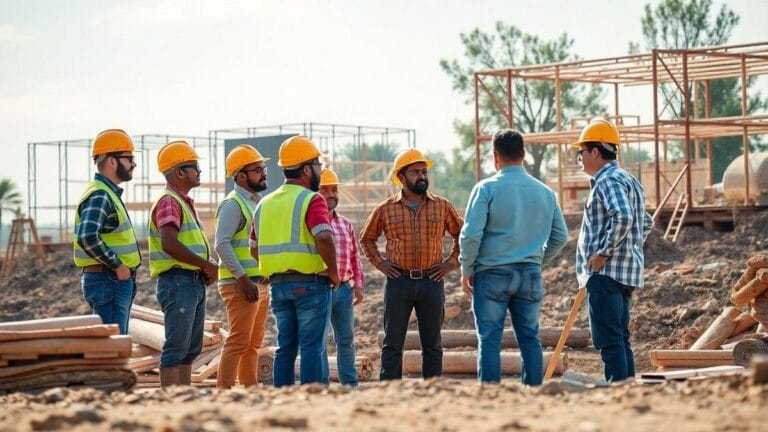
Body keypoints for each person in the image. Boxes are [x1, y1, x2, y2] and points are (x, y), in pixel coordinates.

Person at [459, 129, 568, 386]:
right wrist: (538, 260)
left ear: (495, 157)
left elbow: (471, 235)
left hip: (492, 273)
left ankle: (490, 395)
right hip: (529, 273)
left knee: (489, 339)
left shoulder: (486, 188)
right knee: (530, 336)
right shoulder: (545, 192)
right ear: (524, 154)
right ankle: (532, 393)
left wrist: (467, 268)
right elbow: (561, 237)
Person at [360, 148, 463, 380]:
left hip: (432, 281)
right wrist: (381, 263)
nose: (422, 176)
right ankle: (390, 392)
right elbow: (366, 239)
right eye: (416, 172)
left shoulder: (442, 206)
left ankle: (432, 389)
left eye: (424, 171)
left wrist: (452, 262)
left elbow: (462, 235)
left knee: (433, 344)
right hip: (399, 282)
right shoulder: (385, 208)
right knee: (393, 343)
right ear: (401, 177)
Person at [249, 135, 340, 387]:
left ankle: (284, 399)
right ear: (307, 168)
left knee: (285, 347)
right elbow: (323, 236)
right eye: (318, 165)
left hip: (278, 286)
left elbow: (253, 248)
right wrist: (333, 272)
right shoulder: (312, 199)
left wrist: (275, 267)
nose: (321, 170)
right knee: (311, 346)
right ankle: (310, 400)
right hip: (311, 284)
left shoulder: (264, 204)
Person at [572, 118, 654, 382]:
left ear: (595, 152)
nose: (579, 158)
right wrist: (627, 250)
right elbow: (645, 222)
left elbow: (624, 217)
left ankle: (618, 391)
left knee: (608, 340)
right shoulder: (628, 179)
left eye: (581, 152)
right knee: (620, 338)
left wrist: (605, 252)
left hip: (605, 275)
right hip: (624, 274)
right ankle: (627, 390)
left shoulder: (606, 181)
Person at [148, 140, 218, 387]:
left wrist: (203, 267)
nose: (199, 171)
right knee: (177, 345)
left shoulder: (183, 202)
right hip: (178, 282)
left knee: (190, 347)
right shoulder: (170, 201)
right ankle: (171, 399)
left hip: (190, 281)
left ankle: (184, 395)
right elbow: (169, 243)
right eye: (194, 167)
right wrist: (206, 265)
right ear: (179, 172)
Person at [73, 129, 141, 335]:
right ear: (112, 161)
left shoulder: (106, 192)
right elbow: (86, 235)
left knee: (113, 347)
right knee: (113, 349)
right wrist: (118, 266)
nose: (134, 164)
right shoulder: (101, 194)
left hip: (110, 281)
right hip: (109, 280)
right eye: (129, 158)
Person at [214, 145, 271, 388]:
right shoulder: (233, 204)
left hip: (257, 283)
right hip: (241, 285)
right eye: (257, 169)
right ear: (240, 175)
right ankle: (223, 393)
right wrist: (243, 279)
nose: (263, 173)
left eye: (263, 168)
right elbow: (221, 244)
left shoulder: (254, 203)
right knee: (238, 341)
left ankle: (250, 390)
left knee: (253, 344)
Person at [317, 168, 364, 387]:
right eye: (325, 190)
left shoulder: (345, 224)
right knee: (320, 342)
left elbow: (355, 256)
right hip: (320, 288)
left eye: (334, 189)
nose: (331, 194)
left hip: (344, 290)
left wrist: (358, 284)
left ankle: (350, 385)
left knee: (346, 341)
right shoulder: (311, 223)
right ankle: (323, 385)